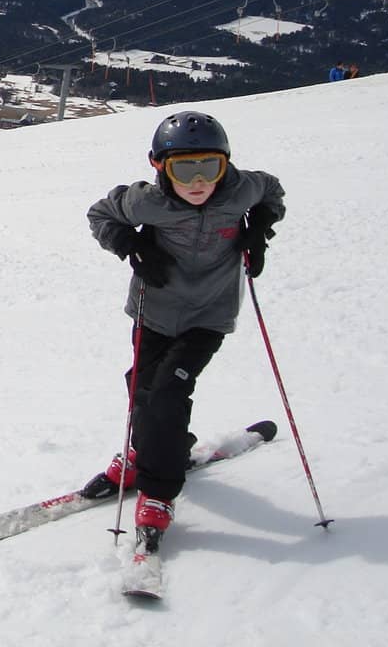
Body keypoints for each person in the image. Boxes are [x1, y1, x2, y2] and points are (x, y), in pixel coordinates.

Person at [80, 110, 286, 553]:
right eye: (183, 169)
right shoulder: (145, 202)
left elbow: (271, 190)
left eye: (209, 167)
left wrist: (259, 229)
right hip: (153, 311)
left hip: (207, 317)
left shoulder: (240, 191)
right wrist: (130, 244)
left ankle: (158, 488)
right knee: (142, 387)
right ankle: (146, 453)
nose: (197, 182)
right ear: (159, 166)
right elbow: (100, 215)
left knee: (169, 393)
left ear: (225, 164)